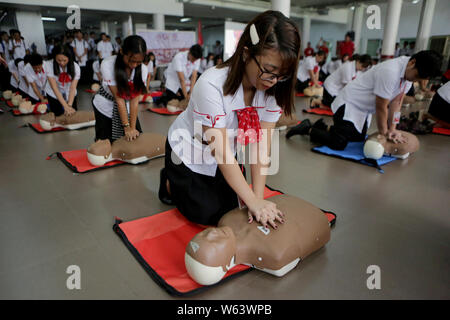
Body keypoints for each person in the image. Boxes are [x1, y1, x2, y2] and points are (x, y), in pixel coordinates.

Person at [158, 10, 300, 228]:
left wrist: (257, 198)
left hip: (225, 153)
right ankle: (169, 182)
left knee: (236, 210)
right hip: (189, 150)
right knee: (208, 216)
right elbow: (221, 151)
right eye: (269, 71)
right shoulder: (211, 85)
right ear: (245, 53)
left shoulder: (273, 89)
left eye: (282, 75)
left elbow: (261, 145)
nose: (274, 81)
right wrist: (252, 201)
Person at [287, 50, 442, 150]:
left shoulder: (408, 71)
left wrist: (393, 128)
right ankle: (308, 129)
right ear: (412, 62)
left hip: (363, 109)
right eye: (415, 76)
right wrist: (384, 133)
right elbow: (382, 106)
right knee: (339, 143)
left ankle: (320, 125)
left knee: (358, 138)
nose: (412, 80)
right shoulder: (391, 71)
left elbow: (397, 102)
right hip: (349, 103)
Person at [92, 35, 148, 143]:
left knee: (135, 139)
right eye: (131, 61)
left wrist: (132, 128)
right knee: (105, 145)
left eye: (138, 62)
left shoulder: (143, 70)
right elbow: (119, 99)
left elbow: (134, 101)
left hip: (126, 105)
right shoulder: (108, 64)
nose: (134, 65)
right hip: (106, 104)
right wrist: (126, 127)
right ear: (122, 51)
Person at [43, 45, 80, 116]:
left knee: (72, 114)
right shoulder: (48, 65)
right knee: (58, 116)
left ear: (69, 58)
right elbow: (54, 88)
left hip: (69, 92)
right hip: (53, 93)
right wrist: (65, 106)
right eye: (59, 60)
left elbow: (72, 88)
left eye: (64, 60)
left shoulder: (75, 67)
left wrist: (69, 106)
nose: (62, 63)